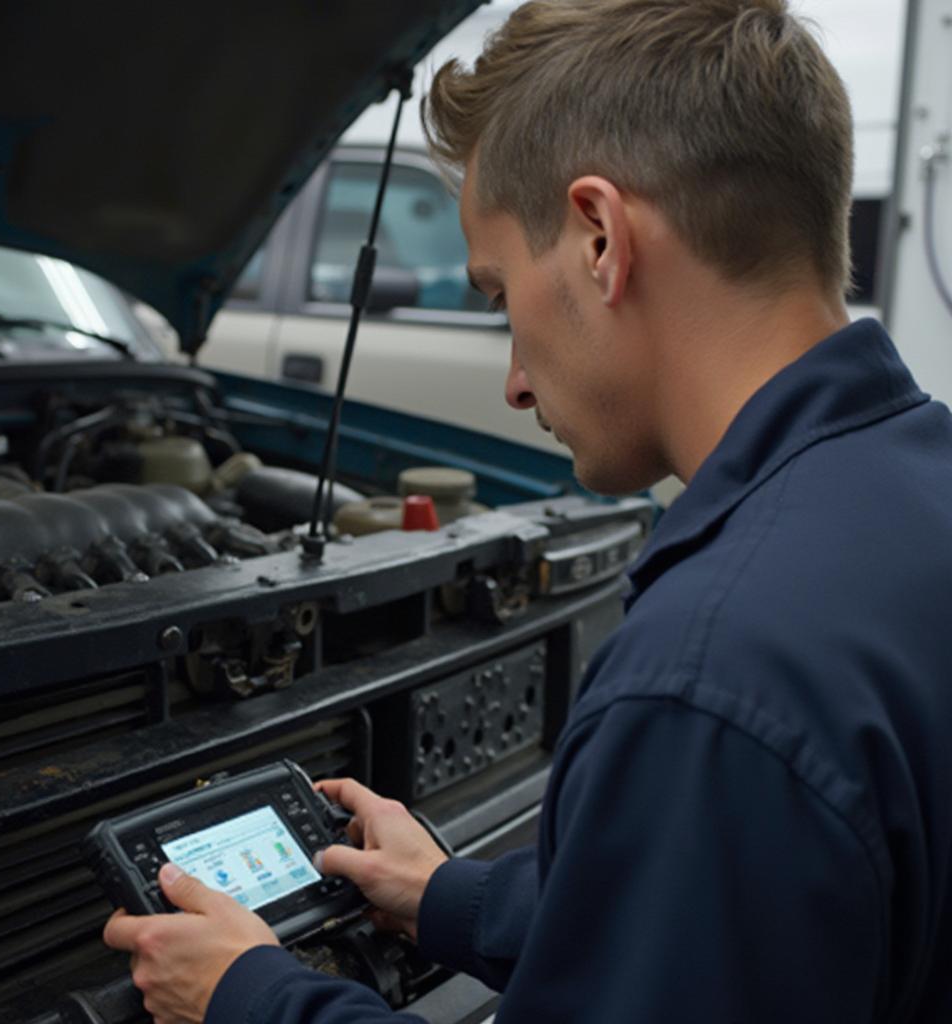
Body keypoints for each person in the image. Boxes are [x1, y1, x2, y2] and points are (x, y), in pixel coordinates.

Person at [104, 0, 952, 1020]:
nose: (512, 380)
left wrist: (250, 997)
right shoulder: (911, 491)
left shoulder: (712, 675)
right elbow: (739, 923)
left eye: (499, 292)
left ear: (599, 236)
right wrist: (452, 898)